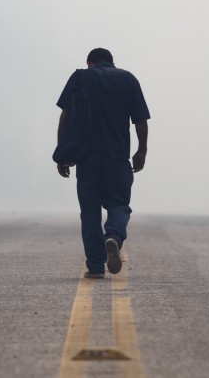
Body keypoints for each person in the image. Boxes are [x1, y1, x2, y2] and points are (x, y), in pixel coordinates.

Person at [56, 48, 150, 279]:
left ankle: (96, 266)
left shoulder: (80, 77)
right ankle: (114, 236)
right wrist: (141, 150)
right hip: (117, 156)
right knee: (119, 204)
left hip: (87, 158)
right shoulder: (128, 79)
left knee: (89, 212)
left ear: (90, 63)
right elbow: (140, 119)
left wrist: (62, 153)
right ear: (112, 61)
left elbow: (65, 116)